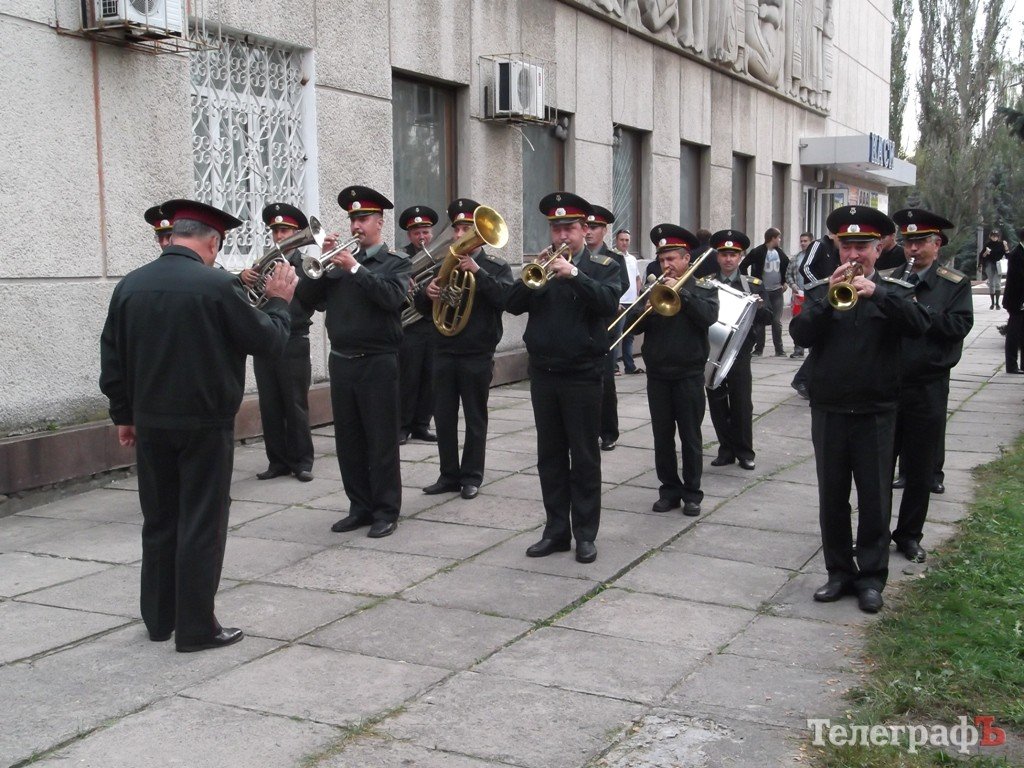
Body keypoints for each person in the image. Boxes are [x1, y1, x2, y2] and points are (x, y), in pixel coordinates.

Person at [100, 199, 297, 652]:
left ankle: (159, 619)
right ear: (212, 242)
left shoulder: (130, 284)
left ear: (173, 237)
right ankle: (195, 628)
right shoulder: (217, 286)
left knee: (160, 520)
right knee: (201, 523)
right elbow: (269, 342)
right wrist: (279, 303)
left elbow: (113, 355)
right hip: (205, 425)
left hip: (150, 424)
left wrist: (123, 415)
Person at [790, 205, 931, 614]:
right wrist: (827, 301)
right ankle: (838, 572)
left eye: (863, 248)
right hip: (830, 410)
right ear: (838, 248)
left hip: (876, 411)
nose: (854, 255)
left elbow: (920, 326)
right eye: (847, 247)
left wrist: (879, 294)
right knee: (832, 498)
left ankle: (871, 577)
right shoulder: (821, 291)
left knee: (874, 499)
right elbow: (800, 333)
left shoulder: (896, 290)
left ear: (878, 249)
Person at [506, 192, 621, 564]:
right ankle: (556, 531)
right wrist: (531, 275)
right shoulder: (541, 267)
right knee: (550, 457)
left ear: (585, 229)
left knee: (584, 458)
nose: (562, 236)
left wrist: (574, 275)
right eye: (556, 229)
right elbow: (512, 303)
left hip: (583, 375)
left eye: (569, 228)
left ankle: (585, 534)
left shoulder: (603, 266)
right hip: (544, 374)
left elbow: (608, 302)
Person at [297, 186, 410, 538]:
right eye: (353, 219)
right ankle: (359, 507)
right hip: (342, 361)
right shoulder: (337, 264)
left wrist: (357, 268)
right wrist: (322, 263)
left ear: (379, 222)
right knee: (349, 441)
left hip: (378, 362)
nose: (356, 225)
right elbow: (306, 299)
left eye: (363, 218)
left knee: (381, 440)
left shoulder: (395, 262)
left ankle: (386, 510)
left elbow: (393, 298)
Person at [888, 209, 973, 563]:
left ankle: (909, 535)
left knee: (920, 469)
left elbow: (958, 327)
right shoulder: (891, 279)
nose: (913, 249)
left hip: (927, 386)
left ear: (937, 245)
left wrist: (918, 311)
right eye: (908, 241)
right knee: (879, 468)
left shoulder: (953, 284)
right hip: (889, 385)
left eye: (921, 241)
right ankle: (874, 534)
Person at [418, 198, 514, 500]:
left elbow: (507, 299)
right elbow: (421, 308)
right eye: (457, 229)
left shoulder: (495, 266)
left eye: (466, 229)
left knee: (475, 418)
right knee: (443, 417)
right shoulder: (443, 263)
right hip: (444, 351)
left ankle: (472, 475)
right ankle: (448, 474)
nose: (460, 235)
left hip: (477, 353)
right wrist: (427, 294)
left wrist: (478, 273)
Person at [627, 224, 718, 515]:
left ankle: (692, 493)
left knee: (690, 436)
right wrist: (645, 304)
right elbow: (633, 326)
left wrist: (684, 296)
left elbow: (709, 317)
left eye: (672, 259)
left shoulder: (703, 288)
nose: (666, 265)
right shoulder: (653, 288)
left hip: (689, 374)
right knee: (662, 437)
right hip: (658, 374)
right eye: (662, 259)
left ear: (686, 259)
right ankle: (668, 490)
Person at [239, 203, 316, 483]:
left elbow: (314, 301)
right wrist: (244, 280)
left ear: (297, 233)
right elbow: (250, 300)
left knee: (295, 404)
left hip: (294, 339)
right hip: (267, 340)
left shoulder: (307, 265)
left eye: (286, 231)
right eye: (276, 231)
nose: (280, 236)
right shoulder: (263, 264)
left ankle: (302, 461)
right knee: (270, 404)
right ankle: (277, 461)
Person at [705, 230, 771, 470]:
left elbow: (769, 318)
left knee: (742, 403)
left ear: (741, 256)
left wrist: (759, 307)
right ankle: (726, 450)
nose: (728, 259)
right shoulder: (707, 284)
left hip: (739, 353)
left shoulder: (753, 284)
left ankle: (744, 451)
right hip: (712, 351)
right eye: (724, 254)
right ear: (717, 257)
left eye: (733, 254)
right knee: (716, 401)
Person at [584, 206, 630, 452]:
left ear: (604, 230)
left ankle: (608, 432)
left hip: (603, 325)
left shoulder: (614, 258)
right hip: (580, 326)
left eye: (594, 227)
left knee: (605, 382)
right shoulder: (575, 255)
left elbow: (622, 284)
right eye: (587, 227)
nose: (589, 232)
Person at [397, 205, 440, 445]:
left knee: (430, 378)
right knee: (408, 377)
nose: (421, 237)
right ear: (409, 235)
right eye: (416, 233)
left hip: (434, 323)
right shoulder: (401, 258)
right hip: (411, 326)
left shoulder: (442, 255)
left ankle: (422, 425)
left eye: (425, 232)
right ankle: (402, 426)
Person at [741, 227, 789, 356]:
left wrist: (785, 281)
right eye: (778, 237)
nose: (780, 240)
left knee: (776, 321)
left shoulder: (780, 253)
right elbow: (743, 266)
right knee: (760, 320)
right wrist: (749, 283)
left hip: (777, 291)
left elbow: (787, 266)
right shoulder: (758, 251)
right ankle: (759, 349)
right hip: (762, 292)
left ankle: (779, 350)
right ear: (773, 238)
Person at [611, 226, 643, 378]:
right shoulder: (613, 257)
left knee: (629, 336)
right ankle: (614, 366)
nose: (624, 243)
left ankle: (630, 366)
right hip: (620, 302)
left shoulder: (632, 259)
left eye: (627, 240)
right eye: (622, 240)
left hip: (632, 302)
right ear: (616, 241)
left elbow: (637, 278)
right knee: (616, 336)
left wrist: (637, 294)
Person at [785, 232, 814, 358]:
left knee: (813, 323)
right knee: (797, 323)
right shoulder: (795, 258)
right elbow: (788, 275)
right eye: (801, 241)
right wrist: (793, 286)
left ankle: (813, 350)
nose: (802, 243)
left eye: (805, 241)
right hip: (798, 296)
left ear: (811, 241)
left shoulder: (815, 257)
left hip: (812, 295)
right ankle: (798, 349)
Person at [1005, 229, 1024, 374]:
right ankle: (1011, 365)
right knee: (1014, 334)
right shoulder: (1017, 254)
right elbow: (1018, 280)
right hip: (1017, 301)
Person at [979, 230, 1007, 310]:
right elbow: (982, 256)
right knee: (991, 283)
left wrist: (1006, 246)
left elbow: (1007, 254)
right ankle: (992, 303)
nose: (994, 237)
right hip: (990, 264)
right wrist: (980, 263)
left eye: (996, 236)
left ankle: (997, 303)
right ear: (990, 236)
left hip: (999, 265)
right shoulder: (988, 244)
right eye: (993, 236)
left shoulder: (1001, 244)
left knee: (997, 283)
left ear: (998, 237)